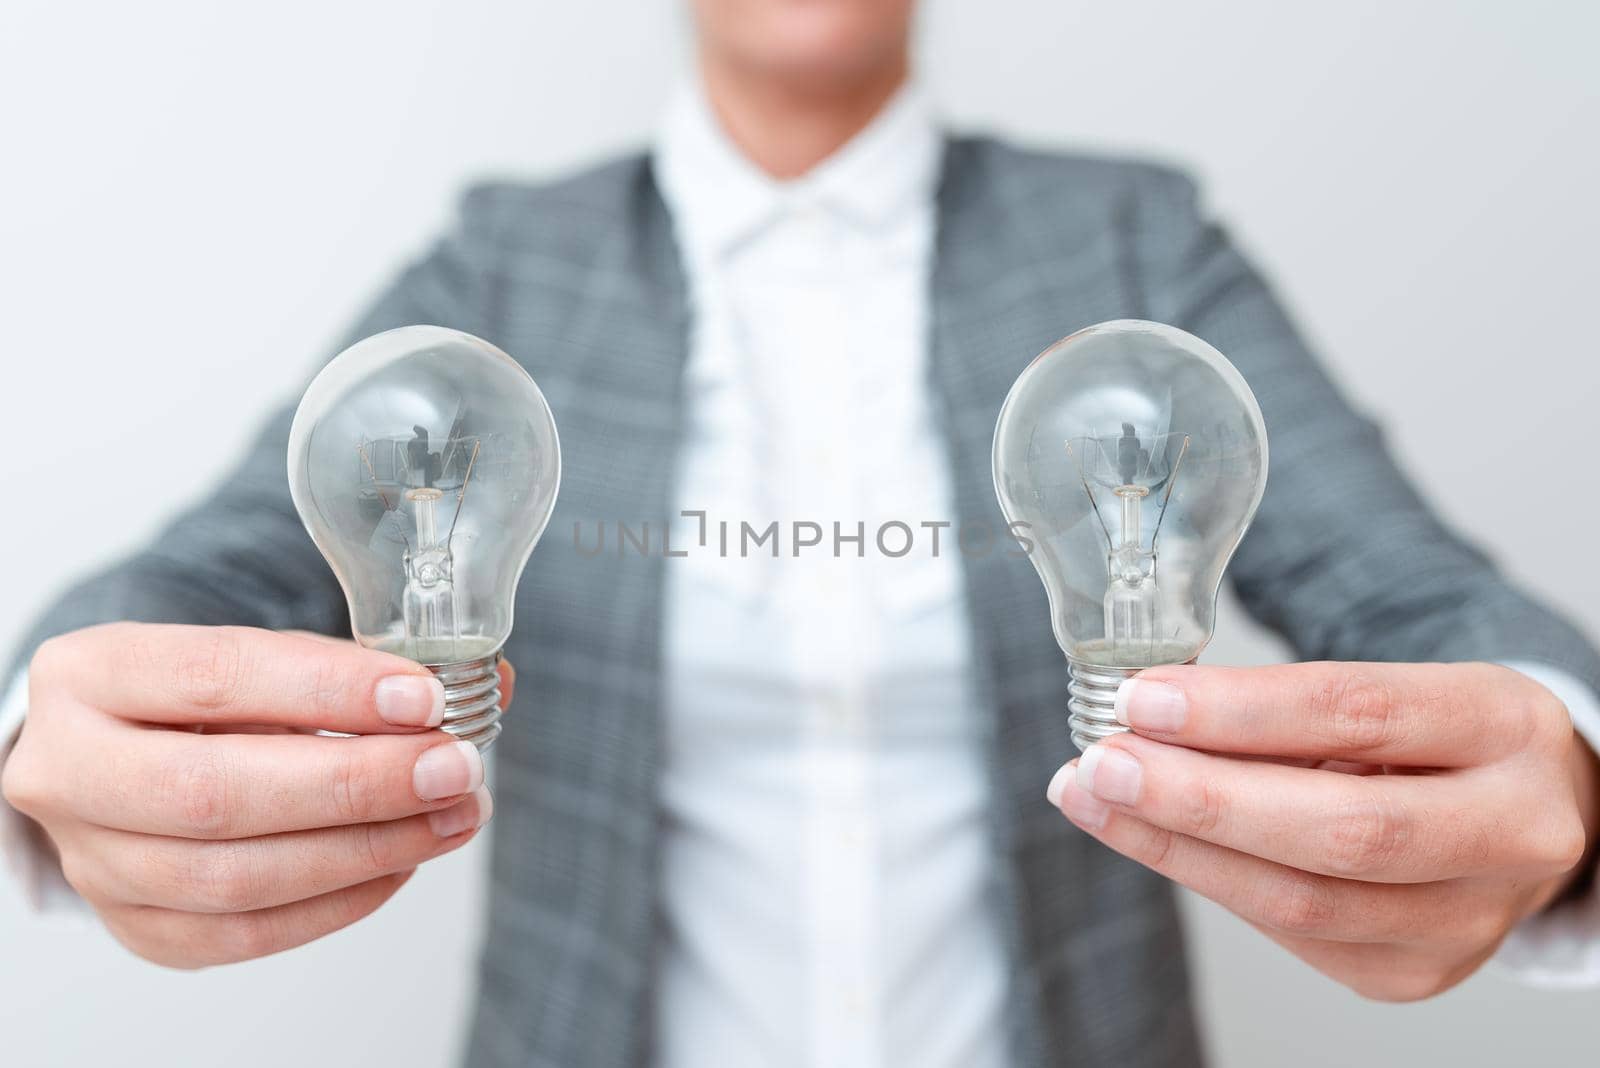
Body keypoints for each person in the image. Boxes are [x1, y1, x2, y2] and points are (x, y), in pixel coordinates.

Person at [4, 1, 1599, 1066]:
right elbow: (208, 576)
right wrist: (53, 722)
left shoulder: (1131, 242)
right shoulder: (508, 267)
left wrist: (1571, 773)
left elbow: (1408, 588)